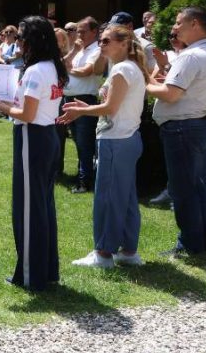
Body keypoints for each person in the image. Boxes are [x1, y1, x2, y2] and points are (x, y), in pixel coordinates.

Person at [0, 15, 66, 291]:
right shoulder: (52, 66)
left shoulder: (35, 71)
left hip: (33, 137)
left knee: (29, 209)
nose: (17, 41)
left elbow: (27, 114)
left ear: (33, 40)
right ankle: (47, 270)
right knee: (43, 206)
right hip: (47, 136)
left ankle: (32, 276)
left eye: (21, 36)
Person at [59, 24, 150, 268]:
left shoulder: (122, 69)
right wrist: (85, 107)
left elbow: (111, 108)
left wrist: (82, 110)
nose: (101, 44)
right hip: (125, 139)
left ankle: (104, 253)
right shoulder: (126, 68)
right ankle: (129, 251)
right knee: (126, 197)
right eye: (101, 40)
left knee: (108, 197)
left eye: (106, 40)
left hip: (117, 140)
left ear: (123, 43)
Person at [147, 6, 206, 255]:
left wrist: (144, 83)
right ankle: (204, 240)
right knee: (197, 187)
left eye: (179, 22)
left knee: (183, 190)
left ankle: (190, 243)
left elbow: (171, 94)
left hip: (182, 128)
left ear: (195, 24)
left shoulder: (191, 55)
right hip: (197, 125)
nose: (175, 27)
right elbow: (181, 88)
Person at [62, 17, 105, 193]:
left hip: (85, 99)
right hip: (70, 99)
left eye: (83, 31)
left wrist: (69, 69)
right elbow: (63, 63)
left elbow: (87, 71)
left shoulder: (97, 50)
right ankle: (83, 177)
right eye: (77, 31)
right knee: (78, 142)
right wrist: (73, 52)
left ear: (94, 32)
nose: (79, 35)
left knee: (84, 143)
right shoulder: (79, 49)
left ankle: (84, 182)